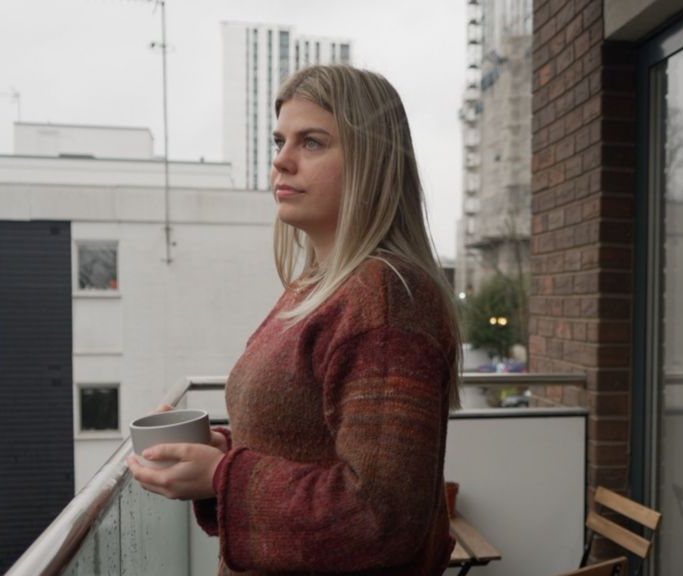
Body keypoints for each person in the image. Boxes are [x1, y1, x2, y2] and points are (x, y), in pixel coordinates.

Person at [128, 65, 462, 575]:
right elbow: (308, 441)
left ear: (372, 162)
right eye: (279, 140)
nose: (281, 161)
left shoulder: (387, 299)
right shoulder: (319, 286)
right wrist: (223, 453)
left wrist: (223, 476)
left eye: (312, 143)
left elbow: (380, 518)